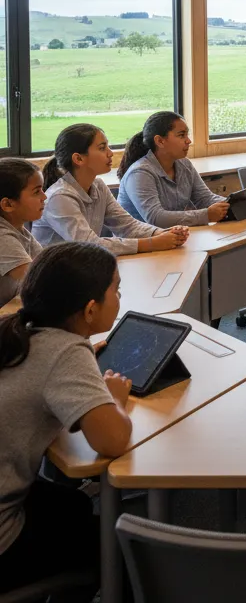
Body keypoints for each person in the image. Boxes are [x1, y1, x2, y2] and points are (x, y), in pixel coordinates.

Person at [0, 242, 133, 601]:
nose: (120, 296)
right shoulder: (64, 353)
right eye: (116, 289)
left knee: (71, 505)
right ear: (91, 309)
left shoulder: (14, 329)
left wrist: (80, 362)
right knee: (119, 549)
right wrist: (112, 399)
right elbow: (112, 441)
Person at [34, 124, 190, 256]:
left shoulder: (98, 186)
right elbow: (89, 245)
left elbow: (128, 225)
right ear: (79, 159)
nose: (110, 153)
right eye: (102, 148)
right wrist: (151, 243)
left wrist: (161, 233)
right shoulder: (59, 197)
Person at [117, 111, 229, 226]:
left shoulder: (184, 164)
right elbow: (156, 218)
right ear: (160, 141)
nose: (188, 141)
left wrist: (230, 204)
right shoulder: (140, 173)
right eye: (181, 135)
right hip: (139, 242)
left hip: (171, 238)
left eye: (187, 135)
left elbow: (204, 198)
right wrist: (207, 215)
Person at [0, 160, 45, 308]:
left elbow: (48, 265)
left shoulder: (18, 229)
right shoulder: (2, 237)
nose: (44, 197)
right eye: (37, 191)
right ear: (8, 205)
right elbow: (40, 278)